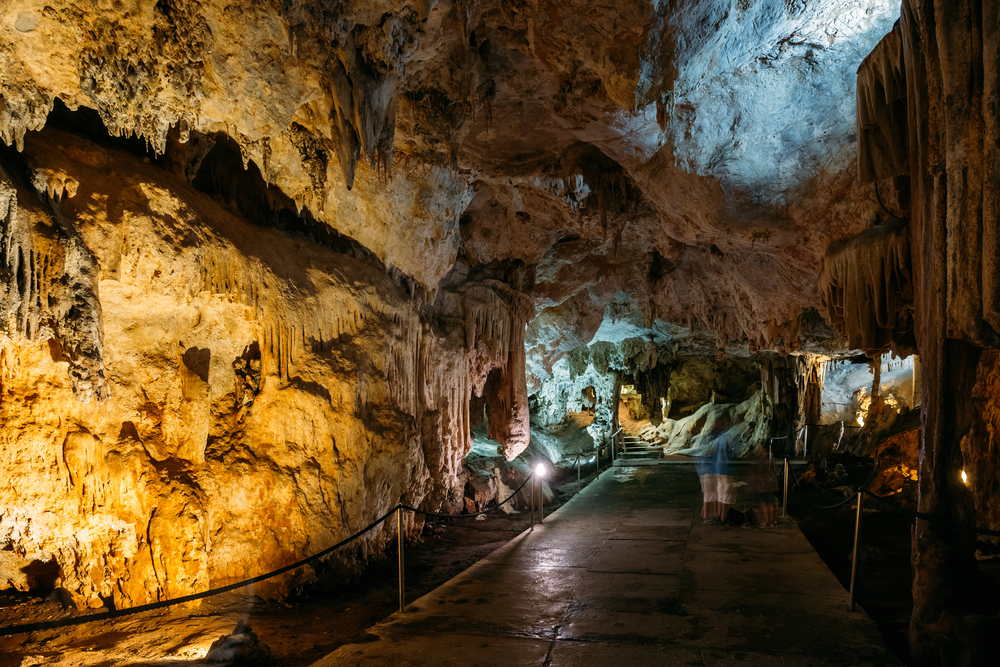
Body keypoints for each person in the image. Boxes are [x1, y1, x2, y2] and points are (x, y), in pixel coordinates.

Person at [712, 427, 735, 524]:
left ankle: (719, 515)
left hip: (718, 469)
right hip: (726, 469)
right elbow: (732, 453)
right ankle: (723, 517)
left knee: (720, 494)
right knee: (727, 495)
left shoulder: (720, 437)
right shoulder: (730, 438)